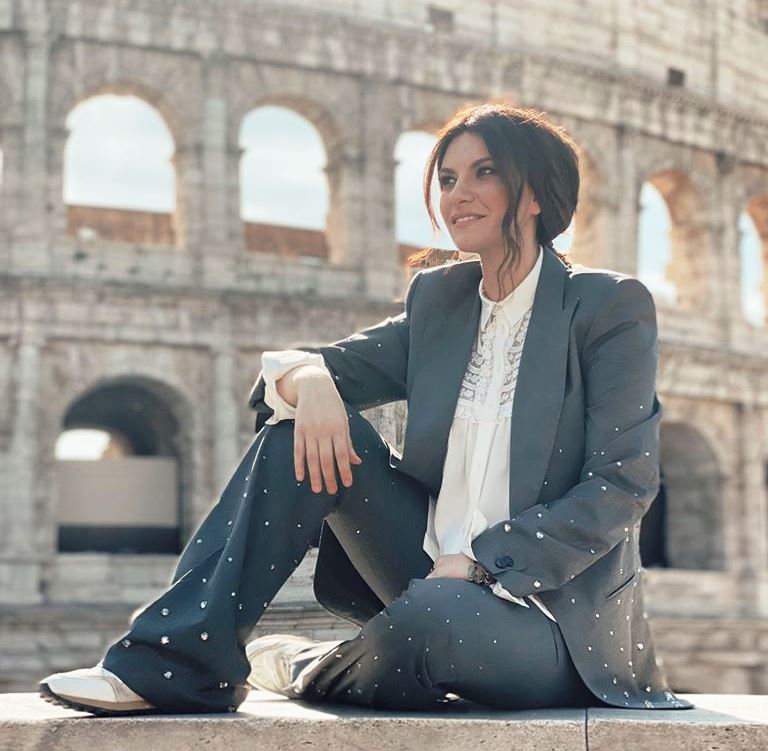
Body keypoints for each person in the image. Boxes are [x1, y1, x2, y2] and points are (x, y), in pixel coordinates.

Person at [38, 101, 694, 716]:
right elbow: (296, 370)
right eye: (446, 178)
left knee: (425, 623)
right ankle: (173, 664)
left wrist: (484, 559)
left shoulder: (606, 306)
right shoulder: (442, 303)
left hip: (549, 615)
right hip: (425, 573)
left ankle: (303, 667)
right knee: (296, 435)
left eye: (483, 172)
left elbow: (623, 483)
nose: (456, 194)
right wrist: (315, 382)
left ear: (533, 192)